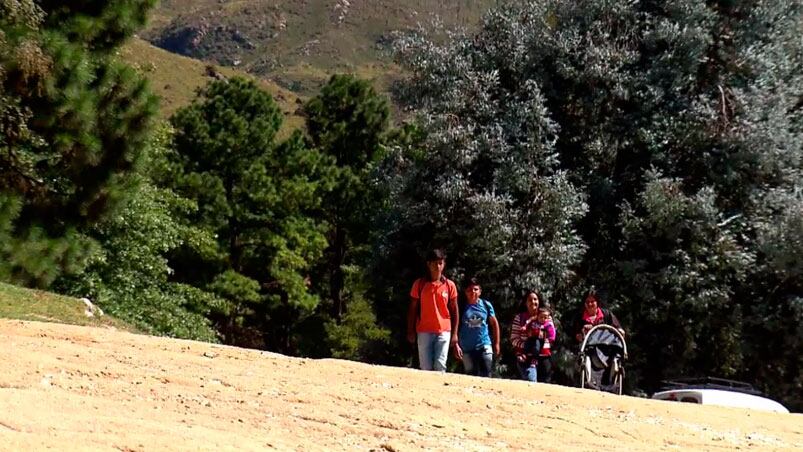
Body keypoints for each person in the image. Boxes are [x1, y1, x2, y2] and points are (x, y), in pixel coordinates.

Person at [406, 248, 459, 371]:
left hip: (444, 330)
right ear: (428, 264)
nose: (438, 266)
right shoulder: (419, 284)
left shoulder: (449, 285)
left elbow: (455, 310)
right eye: (435, 263)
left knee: (440, 365)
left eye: (440, 263)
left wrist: (455, 333)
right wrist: (410, 331)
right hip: (424, 331)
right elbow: (412, 310)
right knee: (425, 367)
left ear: (444, 264)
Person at [456, 277, 500, 377]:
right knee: (470, 376)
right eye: (469, 290)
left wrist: (496, 343)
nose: (473, 292)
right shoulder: (461, 307)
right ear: (465, 292)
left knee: (486, 372)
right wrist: (456, 345)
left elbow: (494, 324)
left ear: (480, 291)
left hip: (484, 344)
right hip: (467, 348)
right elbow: (456, 326)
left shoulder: (486, 305)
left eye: (475, 289)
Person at [510, 290, 541, 382]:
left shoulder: (545, 317)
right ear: (525, 303)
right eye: (530, 300)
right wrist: (528, 346)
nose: (533, 302)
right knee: (531, 381)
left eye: (535, 299)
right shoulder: (519, 318)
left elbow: (550, 337)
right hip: (525, 357)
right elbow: (514, 339)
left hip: (542, 357)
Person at [521, 306, 556, 383]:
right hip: (531, 341)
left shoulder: (548, 324)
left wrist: (550, 339)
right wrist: (525, 328)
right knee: (528, 343)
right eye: (541, 317)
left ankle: (534, 359)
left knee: (545, 377)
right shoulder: (534, 321)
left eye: (545, 317)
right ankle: (524, 354)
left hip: (542, 348)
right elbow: (528, 323)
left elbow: (552, 332)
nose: (543, 319)